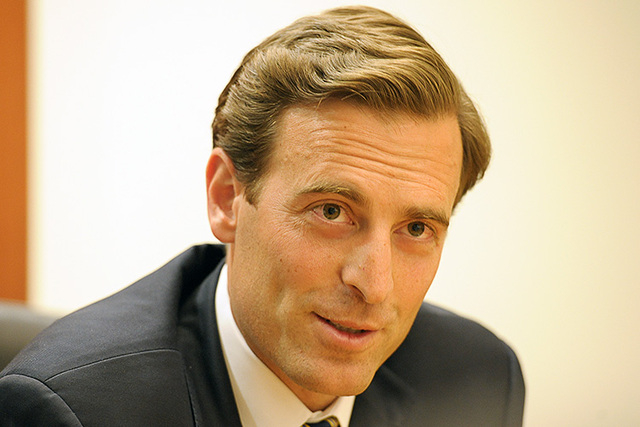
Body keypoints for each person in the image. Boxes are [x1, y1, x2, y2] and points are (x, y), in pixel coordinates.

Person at [0, 6, 525, 426]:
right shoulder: (74, 410)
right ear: (227, 197)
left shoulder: (478, 379)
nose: (375, 285)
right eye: (332, 211)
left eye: (416, 229)